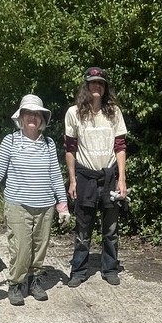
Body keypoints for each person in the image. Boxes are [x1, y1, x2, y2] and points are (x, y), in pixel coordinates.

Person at [0, 94, 69, 306]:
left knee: (40, 247)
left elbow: (55, 175)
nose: (33, 117)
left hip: (45, 206)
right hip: (18, 205)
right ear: (21, 118)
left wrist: (62, 204)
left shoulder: (49, 144)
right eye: (28, 113)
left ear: (42, 119)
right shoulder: (11, 140)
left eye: (37, 114)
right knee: (22, 247)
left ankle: (34, 281)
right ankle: (16, 283)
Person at [63, 66, 128, 286]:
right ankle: (79, 271)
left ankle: (110, 269)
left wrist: (122, 179)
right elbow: (70, 148)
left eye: (100, 82)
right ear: (86, 86)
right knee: (83, 228)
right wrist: (72, 180)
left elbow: (120, 146)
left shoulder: (114, 112)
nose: (96, 86)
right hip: (85, 176)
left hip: (109, 176)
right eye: (93, 82)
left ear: (105, 86)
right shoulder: (74, 113)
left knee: (110, 229)